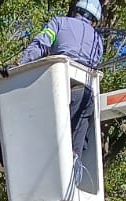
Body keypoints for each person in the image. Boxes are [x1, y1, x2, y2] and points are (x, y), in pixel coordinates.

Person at [17, 0, 104, 180]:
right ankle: (74, 171)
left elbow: (41, 44)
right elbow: (95, 64)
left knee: (44, 134)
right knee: (78, 135)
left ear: (75, 11)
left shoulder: (59, 23)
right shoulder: (98, 40)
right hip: (85, 95)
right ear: (94, 21)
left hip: (57, 92)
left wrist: (20, 64)